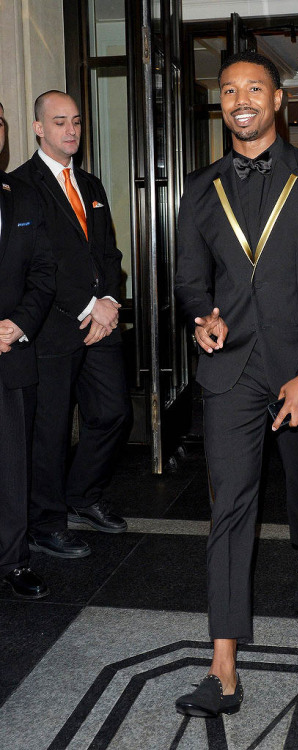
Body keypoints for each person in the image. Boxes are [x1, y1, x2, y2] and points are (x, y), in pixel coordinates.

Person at [174, 51, 298, 718]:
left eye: (254, 88)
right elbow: (191, 276)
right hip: (230, 371)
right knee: (230, 508)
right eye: (229, 90)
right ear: (218, 102)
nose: (241, 98)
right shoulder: (199, 186)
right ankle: (223, 664)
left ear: (278, 100)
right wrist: (203, 318)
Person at [13, 91, 131, 559]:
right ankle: (45, 524)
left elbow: (109, 253)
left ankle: (82, 496)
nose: (71, 130)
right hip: (53, 327)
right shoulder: (21, 186)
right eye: (59, 122)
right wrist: (88, 305)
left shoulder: (92, 184)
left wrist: (109, 300)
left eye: (77, 122)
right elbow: (37, 265)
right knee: (51, 431)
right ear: (39, 128)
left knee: (114, 413)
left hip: (100, 324)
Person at [0, 102, 55, 598]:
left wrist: (19, 323)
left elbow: (43, 272)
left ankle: (15, 561)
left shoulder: (23, 198)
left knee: (14, 465)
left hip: (11, 353)